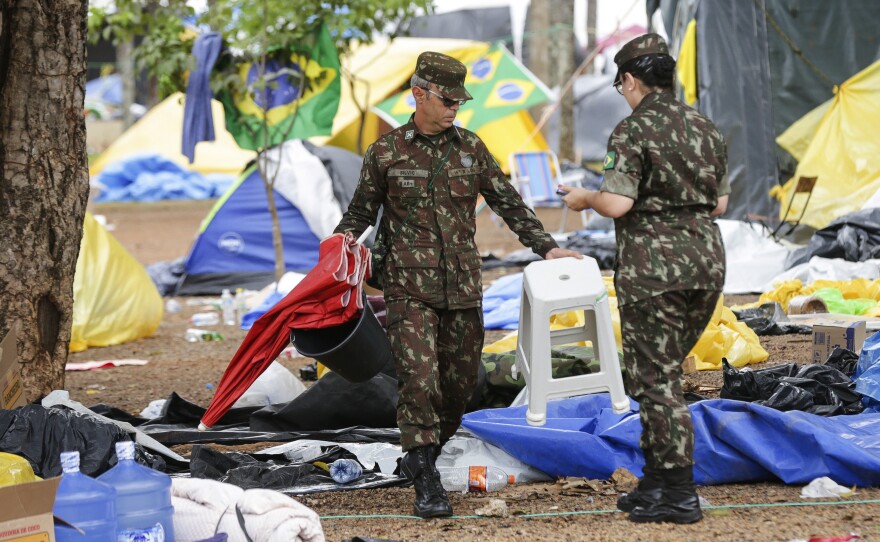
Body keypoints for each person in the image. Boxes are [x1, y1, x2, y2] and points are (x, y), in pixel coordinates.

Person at [334, 51, 581, 518]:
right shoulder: (386, 153)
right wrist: (339, 247)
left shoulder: (471, 147)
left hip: (463, 285)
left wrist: (547, 247)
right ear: (419, 94)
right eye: (446, 99)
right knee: (419, 379)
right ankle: (424, 472)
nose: (454, 108)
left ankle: (427, 446)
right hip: (408, 286)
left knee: (461, 382)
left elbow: (508, 203)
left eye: (459, 101)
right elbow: (360, 213)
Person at [558, 34, 728, 524]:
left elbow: (618, 202)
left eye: (621, 84)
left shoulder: (633, 130)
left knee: (656, 381)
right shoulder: (705, 126)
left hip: (655, 268)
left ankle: (678, 492)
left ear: (631, 79)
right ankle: (656, 480)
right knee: (663, 373)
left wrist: (586, 197)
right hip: (706, 262)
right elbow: (719, 204)